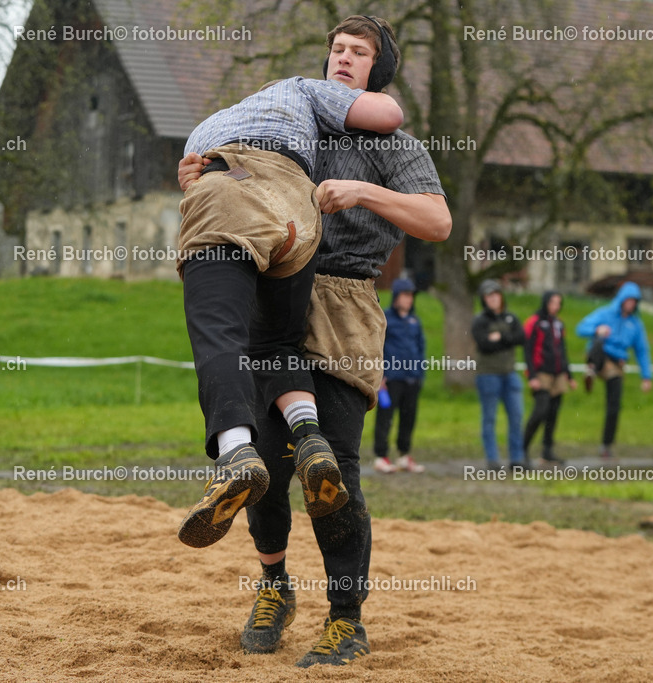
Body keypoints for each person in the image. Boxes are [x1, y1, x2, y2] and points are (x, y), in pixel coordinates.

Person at [178, 14, 450, 668]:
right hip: (278, 294)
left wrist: (364, 191)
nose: (343, 59)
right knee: (266, 465)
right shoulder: (297, 129)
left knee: (333, 469)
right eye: (337, 49)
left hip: (346, 303)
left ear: (376, 75)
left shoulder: (396, 146)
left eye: (359, 53)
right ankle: (274, 586)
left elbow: (437, 221)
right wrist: (203, 175)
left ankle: (346, 619)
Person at [175, 56, 405, 549]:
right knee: (276, 339)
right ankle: (309, 436)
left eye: (357, 53)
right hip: (298, 217)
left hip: (233, 188)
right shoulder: (304, 119)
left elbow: (387, 113)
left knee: (219, 328)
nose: (343, 61)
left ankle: (236, 452)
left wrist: (193, 180)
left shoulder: (288, 90)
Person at [576, 281, 653, 459]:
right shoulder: (605, 313)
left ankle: (606, 444)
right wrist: (597, 329)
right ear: (621, 299)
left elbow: (642, 351)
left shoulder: (636, 324)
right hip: (600, 355)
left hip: (616, 364)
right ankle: (591, 370)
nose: (631, 304)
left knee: (614, 405)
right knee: (599, 339)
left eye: (634, 301)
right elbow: (580, 328)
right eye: (628, 300)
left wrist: (646, 376)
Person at [471, 279, 528, 471]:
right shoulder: (480, 321)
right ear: (484, 299)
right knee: (489, 417)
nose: (494, 299)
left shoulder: (511, 317)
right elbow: (484, 345)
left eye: (496, 295)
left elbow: (520, 338)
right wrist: (507, 340)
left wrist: (500, 337)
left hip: (510, 374)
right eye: (489, 296)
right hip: (488, 375)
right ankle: (493, 459)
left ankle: (517, 458)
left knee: (517, 416)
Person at [373, 278, 427, 474]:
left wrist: (420, 372)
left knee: (408, 417)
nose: (409, 299)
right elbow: (377, 347)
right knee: (385, 417)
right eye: (405, 295)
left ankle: (404, 455)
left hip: (412, 378)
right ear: (396, 296)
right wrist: (381, 375)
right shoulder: (385, 318)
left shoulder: (415, 321)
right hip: (390, 380)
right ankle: (381, 456)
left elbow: (421, 347)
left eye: (411, 295)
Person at [522, 291, 577, 466]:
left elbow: (563, 350)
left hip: (558, 373)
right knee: (540, 411)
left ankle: (547, 450)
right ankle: (522, 448)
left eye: (558, 303)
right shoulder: (534, 322)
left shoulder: (559, 324)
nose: (556, 306)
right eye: (553, 302)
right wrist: (532, 375)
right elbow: (527, 350)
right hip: (542, 373)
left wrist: (569, 375)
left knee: (553, 413)